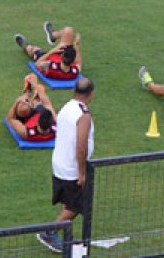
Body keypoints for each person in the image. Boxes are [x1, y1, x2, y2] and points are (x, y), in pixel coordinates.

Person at [37, 77, 95, 253]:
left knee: (68, 203)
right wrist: (82, 172)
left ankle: (66, 235)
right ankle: (49, 232)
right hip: (71, 169)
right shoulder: (83, 115)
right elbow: (81, 146)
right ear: (91, 94)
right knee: (77, 206)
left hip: (59, 163)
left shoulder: (66, 107)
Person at [14, 22, 83, 81]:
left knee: (34, 49)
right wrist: (76, 45)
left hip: (48, 57)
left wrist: (53, 51)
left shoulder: (51, 66)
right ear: (73, 61)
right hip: (59, 56)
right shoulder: (74, 71)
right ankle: (52, 35)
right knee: (68, 31)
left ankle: (25, 46)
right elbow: (79, 63)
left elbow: (37, 64)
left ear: (62, 55)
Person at [6, 74, 57, 142]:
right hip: (40, 110)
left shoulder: (25, 133)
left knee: (22, 108)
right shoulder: (57, 128)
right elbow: (48, 105)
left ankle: (28, 93)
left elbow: (10, 119)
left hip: (28, 118)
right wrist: (36, 87)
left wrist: (17, 101)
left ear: (37, 122)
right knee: (41, 92)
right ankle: (37, 96)